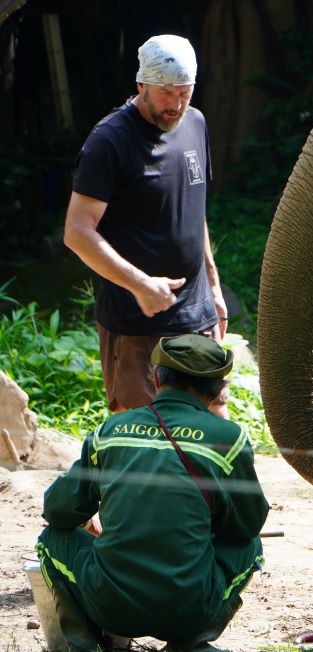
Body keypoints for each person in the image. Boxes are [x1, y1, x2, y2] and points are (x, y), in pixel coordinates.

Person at [35, 334, 269, 652]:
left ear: (156, 377)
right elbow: (248, 524)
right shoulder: (229, 440)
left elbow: (57, 512)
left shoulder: (110, 431)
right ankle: (193, 641)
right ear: (218, 389)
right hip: (189, 609)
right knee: (251, 546)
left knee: (51, 539)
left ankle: (87, 646)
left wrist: (92, 518)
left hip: (108, 607)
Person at [63, 34, 228, 414]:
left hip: (196, 316)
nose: (177, 104)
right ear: (141, 85)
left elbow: (193, 209)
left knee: (213, 431)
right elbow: (77, 232)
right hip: (136, 325)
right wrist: (140, 284)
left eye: (185, 92)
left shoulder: (195, 124)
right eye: (166, 93)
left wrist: (215, 288)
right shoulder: (109, 141)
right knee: (140, 443)